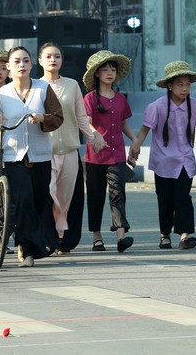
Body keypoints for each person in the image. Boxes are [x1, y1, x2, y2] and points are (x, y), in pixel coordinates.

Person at [0, 47, 64, 268]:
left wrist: (42, 117)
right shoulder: (2, 94)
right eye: (16, 61)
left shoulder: (43, 88)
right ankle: (28, 251)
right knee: (23, 200)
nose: (22, 65)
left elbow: (58, 117)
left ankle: (36, 243)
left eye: (26, 61)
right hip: (11, 156)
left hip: (40, 156)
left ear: (31, 65)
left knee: (38, 202)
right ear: (9, 67)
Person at [129, 61, 196, 250]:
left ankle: (184, 236)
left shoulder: (195, 105)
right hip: (163, 161)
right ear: (170, 85)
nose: (185, 88)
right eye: (180, 84)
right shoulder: (157, 106)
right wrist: (135, 147)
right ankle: (165, 235)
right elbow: (145, 130)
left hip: (185, 160)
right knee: (165, 199)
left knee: (183, 198)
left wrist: (191, 147)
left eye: (188, 84)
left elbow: (192, 128)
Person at [39, 43, 101, 253]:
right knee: (48, 195)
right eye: (48, 56)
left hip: (69, 151)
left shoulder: (72, 85)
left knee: (67, 198)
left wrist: (92, 136)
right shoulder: (34, 86)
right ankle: (49, 238)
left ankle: (64, 239)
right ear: (40, 61)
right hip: (43, 153)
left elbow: (81, 116)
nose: (52, 60)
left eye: (57, 56)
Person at [82, 50, 136, 253]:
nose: (109, 73)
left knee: (118, 194)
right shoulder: (89, 98)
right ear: (97, 74)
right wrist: (96, 134)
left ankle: (121, 236)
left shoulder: (121, 98)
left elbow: (123, 123)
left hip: (117, 155)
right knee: (95, 197)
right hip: (95, 155)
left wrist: (136, 140)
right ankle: (97, 238)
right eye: (105, 69)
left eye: (112, 69)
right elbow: (86, 123)